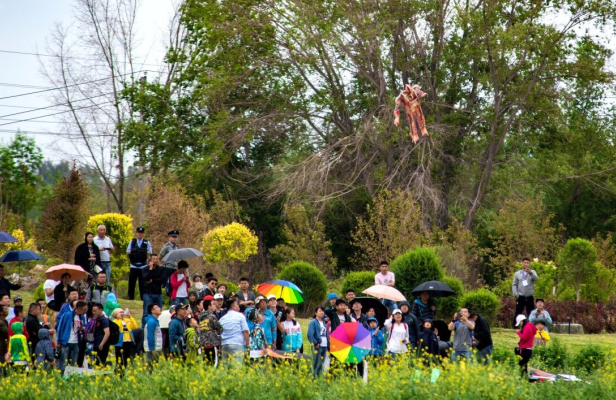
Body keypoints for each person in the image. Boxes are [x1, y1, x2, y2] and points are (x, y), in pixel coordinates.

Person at [56, 300, 87, 373]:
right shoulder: (67, 315)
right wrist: (59, 341)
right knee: (64, 363)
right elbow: (61, 327)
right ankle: (61, 376)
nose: (85, 311)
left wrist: (82, 329)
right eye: (84, 309)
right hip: (66, 342)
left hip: (76, 342)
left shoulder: (82, 317)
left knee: (73, 363)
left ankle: (71, 376)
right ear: (78, 308)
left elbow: (84, 327)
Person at [219, 298, 249, 365]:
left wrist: (220, 347)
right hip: (236, 344)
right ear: (232, 306)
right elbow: (245, 331)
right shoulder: (240, 316)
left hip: (224, 345)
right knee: (236, 367)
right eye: (237, 304)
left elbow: (220, 333)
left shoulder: (222, 319)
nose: (238, 306)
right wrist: (247, 345)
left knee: (226, 368)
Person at [126, 227, 152, 301]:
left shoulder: (147, 242)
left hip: (143, 266)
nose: (140, 234)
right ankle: (130, 298)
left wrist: (143, 252)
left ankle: (142, 298)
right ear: (136, 233)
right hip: (133, 265)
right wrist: (133, 252)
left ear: (143, 234)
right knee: (131, 283)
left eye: (141, 233)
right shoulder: (132, 242)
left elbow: (150, 252)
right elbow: (127, 251)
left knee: (142, 283)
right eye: (139, 233)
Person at [512, 257, 539, 327]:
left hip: (529, 296)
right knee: (518, 311)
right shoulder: (518, 273)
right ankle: (515, 326)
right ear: (522, 263)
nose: (526, 264)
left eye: (527, 263)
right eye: (525, 262)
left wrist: (530, 273)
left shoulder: (532, 272)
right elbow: (514, 284)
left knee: (531, 312)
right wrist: (516, 294)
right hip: (521, 296)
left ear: (529, 264)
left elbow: (536, 279)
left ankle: (531, 326)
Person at [142, 255, 165, 326]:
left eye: (156, 259)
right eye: (153, 259)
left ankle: (157, 326)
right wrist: (150, 269)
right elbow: (146, 278)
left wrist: (152, 280)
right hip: (148, 293)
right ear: (150, 260)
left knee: (158, 311)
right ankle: (144, 327)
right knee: (147, 312)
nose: (155, 260)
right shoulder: (145, 269)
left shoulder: (160, 269)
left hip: (158, 293)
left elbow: (162, 279)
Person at [198, 299, 222, 364]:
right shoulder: (212, 316)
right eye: (213, 304)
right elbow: (219, 328)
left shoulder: (200, 317)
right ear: (209, 307)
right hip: (211, 342)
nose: (215, 305)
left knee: (206, 363)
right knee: (214, 363)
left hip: (202, 342)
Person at [307, 306, 328, 376]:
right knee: (316, 363)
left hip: (325, 345)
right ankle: (313, 377)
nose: (322, 312)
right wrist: (315, 343)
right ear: (316, 313)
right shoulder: (313, 322)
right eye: (320, 311)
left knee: (321, 363)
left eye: (323, 311)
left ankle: (318, 378)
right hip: (318, 346)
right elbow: (310, 334)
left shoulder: (324, 322)